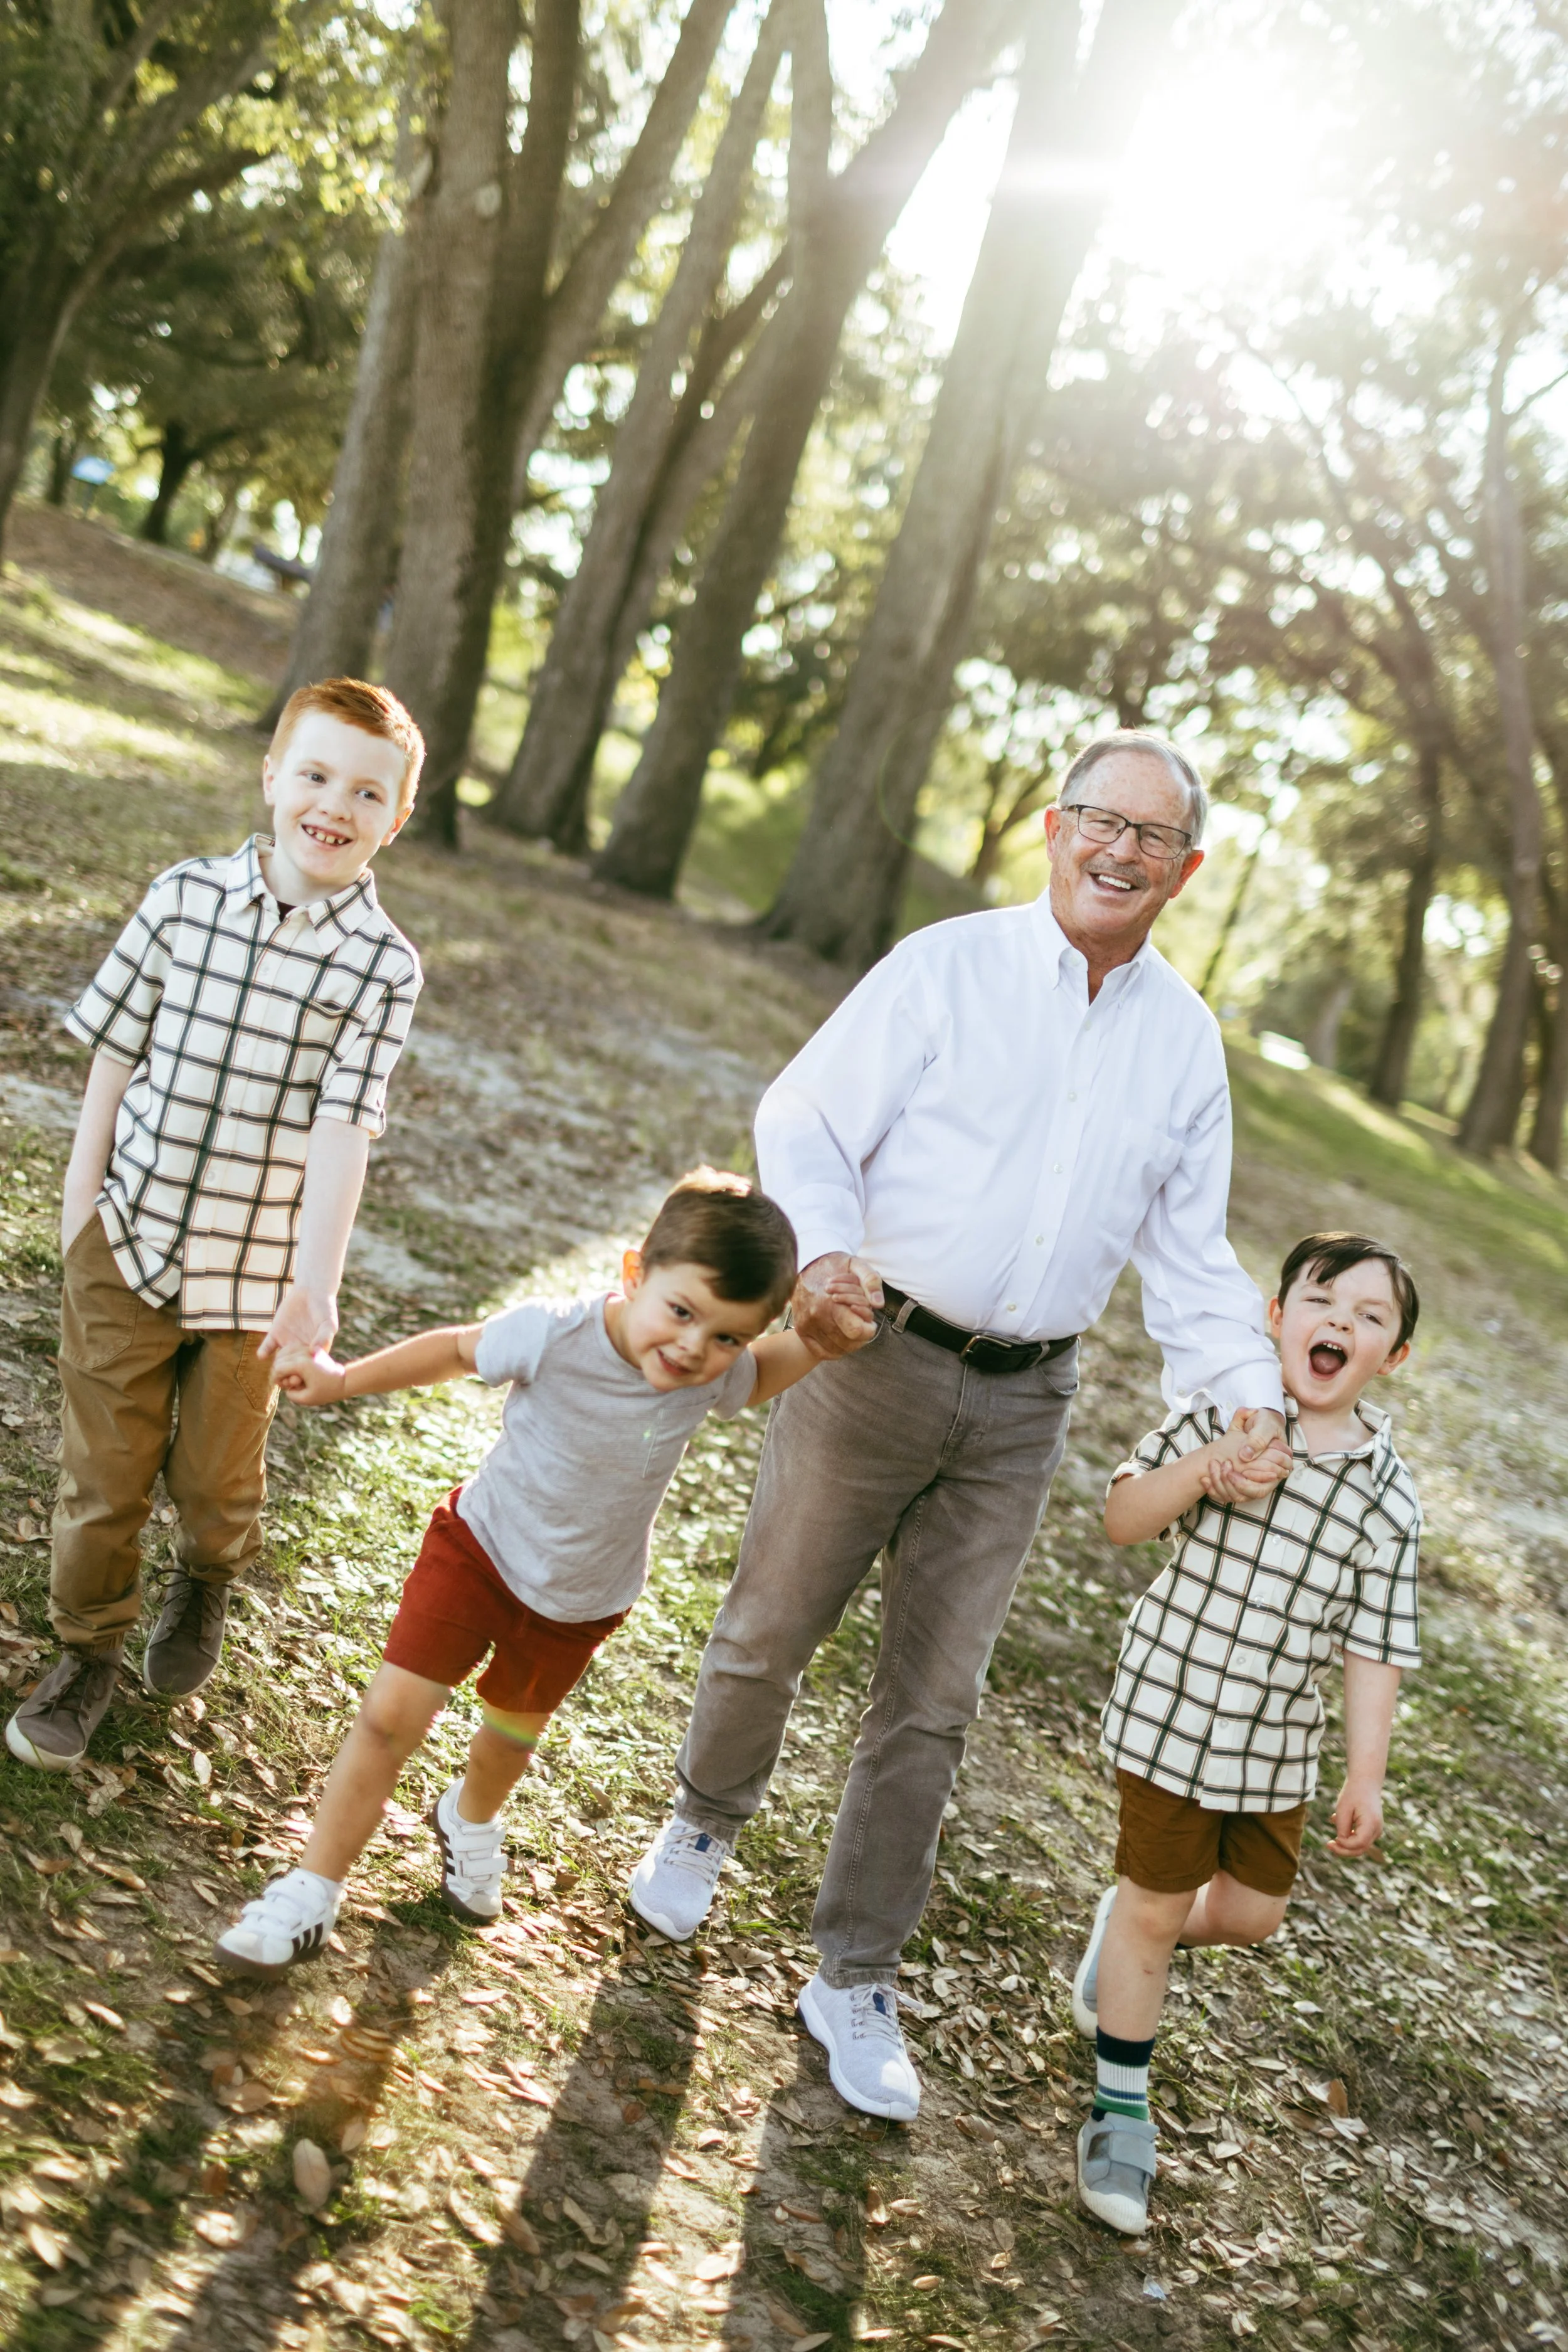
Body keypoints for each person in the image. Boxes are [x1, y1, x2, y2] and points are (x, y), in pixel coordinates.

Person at [628, 731, 1288, 2125]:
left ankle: (852, 1972)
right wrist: (819, 1256)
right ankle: (701, 1822)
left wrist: (1245, 1398)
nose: (1119, 852)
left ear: (1187, 866)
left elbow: (1187, 1255)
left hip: (1023, 1401)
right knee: (769, 1624)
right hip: (873, 1353)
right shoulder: (946, 965)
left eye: (1151, 837)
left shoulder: (1183, 1045)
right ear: (1052, 827)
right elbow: (804, 1113)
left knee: (931, 1701)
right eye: (1098, 821)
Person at [213, 1172, 872, 1978]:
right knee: (390, 1718)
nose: (697, 1347)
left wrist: (812, 1341)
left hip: (579, 1601)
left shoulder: (716, 1373)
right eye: (681, 1312)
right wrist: (344, 1379)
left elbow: (764, 1373)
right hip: (479, 1552)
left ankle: (469, 1820)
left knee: (508, 1739)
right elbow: (458, 1349)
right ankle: (311, 1888)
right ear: (634, 1274)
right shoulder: (555, 1333)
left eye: (728, 1336)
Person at [6, 678, 425, 1772]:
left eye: (368, 791)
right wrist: (78, 1205)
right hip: (127, 1237)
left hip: (256, 1277)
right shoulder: (185, 897)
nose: (336, 805)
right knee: (104, 1478)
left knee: (214, 1481)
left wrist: (315, 1285)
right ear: (273, 777)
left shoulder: (383, 966)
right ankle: (88, 1652)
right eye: (318, 775)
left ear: (397, 818)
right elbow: (113, 1055)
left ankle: (207, 1579)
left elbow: (345, 1128)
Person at [1071, 1231, 1422, 2237]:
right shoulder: (1224, 1416)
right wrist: (1207, 1466)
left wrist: (1366, 1772)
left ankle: (1124, 1930)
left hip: (1274, 1742)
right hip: (1176, 1710)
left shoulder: (1385, 1496)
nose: (1340, 1324)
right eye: (1323, 1301)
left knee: (1252, 1915)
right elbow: (1124, 1517)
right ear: (1276, 1317)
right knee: (1155, 1911)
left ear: (1389, 1359)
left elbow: (1374, 1642)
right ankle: (1120, 2115)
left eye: (1370, 1318)